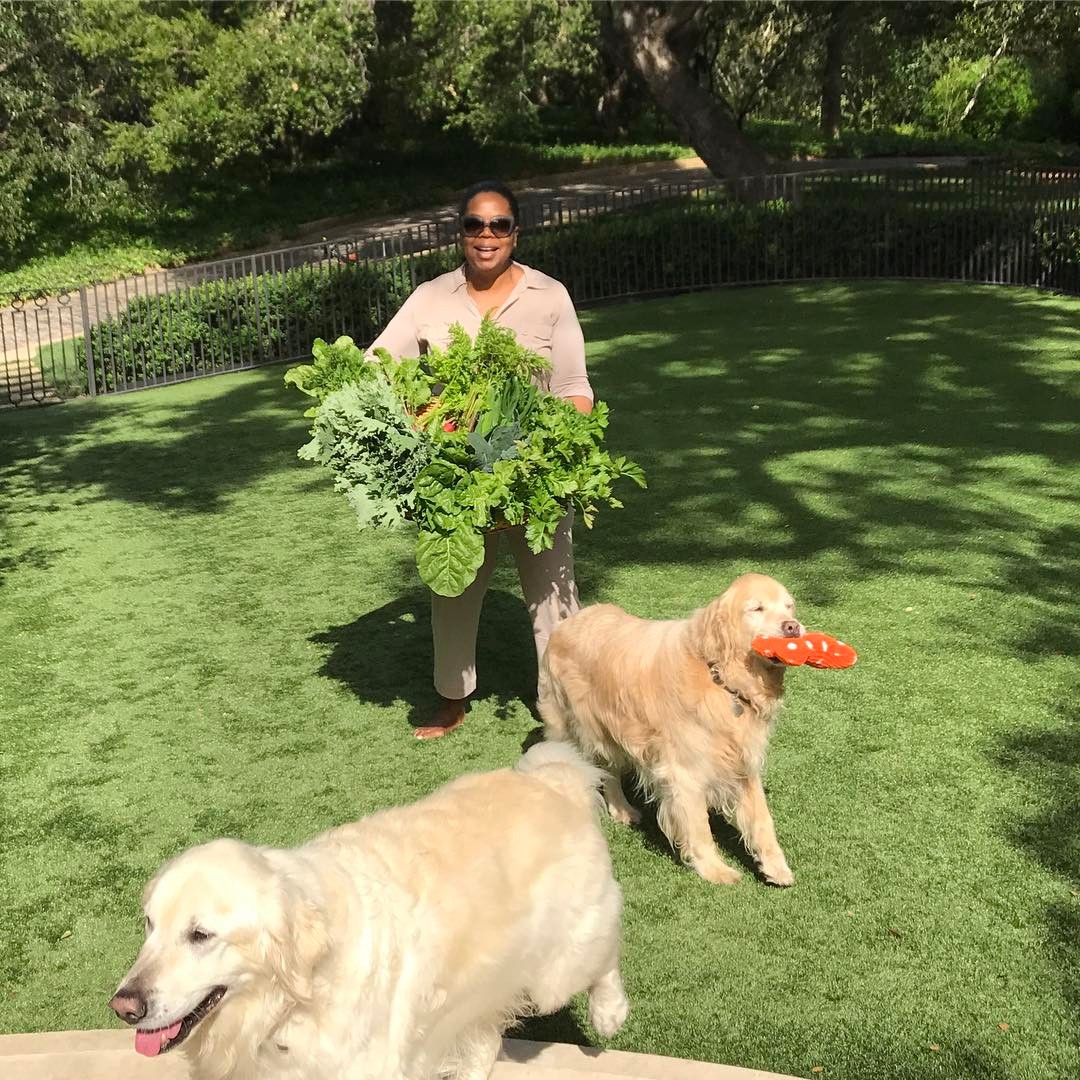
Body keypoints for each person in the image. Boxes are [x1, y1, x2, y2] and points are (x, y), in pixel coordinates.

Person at [366, 179, 594, 740]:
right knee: (454, 590)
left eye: (498, 225)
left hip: (532, 474)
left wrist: (556, 451)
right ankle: (452, 700)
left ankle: (565, 713)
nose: (486, 235)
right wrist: (420, 414)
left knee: (554, 596)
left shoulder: (549, 295)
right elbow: (377, 364)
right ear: (460, 234)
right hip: (458, 477)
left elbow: (574, 388)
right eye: (474, 225)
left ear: (516, 233)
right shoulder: (429, 298)